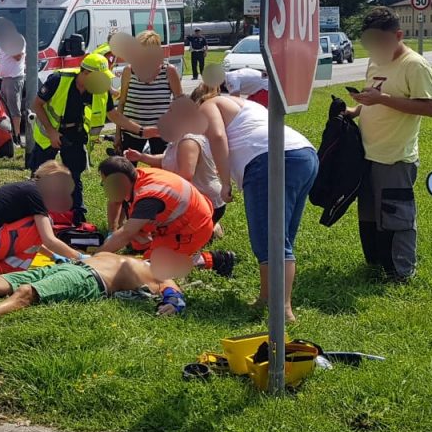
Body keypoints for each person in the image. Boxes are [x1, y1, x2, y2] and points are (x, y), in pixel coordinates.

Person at [193, 82, 317, 322]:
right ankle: (267, 299)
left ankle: (283, 310)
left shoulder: (208, 105)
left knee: (271, 240)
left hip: (267, 159)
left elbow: (218, 137)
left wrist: (225, 181)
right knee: (282, 237)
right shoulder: (244, 104)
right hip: (303, 155)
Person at [346, 7, 432, 282]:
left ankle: (401, 272)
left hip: (396, 157)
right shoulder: (375, 62)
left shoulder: (415, 65)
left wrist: (382, 99)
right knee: (371, 216)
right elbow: (371, 96)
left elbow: (431, 108)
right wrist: (355, 110)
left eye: (379, 40)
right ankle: (376, 263)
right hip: (368, 153)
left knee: (396, 217)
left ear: (398, 35)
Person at [0, 252, 187, 336]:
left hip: (89, 280)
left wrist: (171, 303)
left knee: (26, 292)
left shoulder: (164, 276)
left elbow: (174, 297)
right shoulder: (139, 256)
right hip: (71, 266)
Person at [29, 49, 137, 221]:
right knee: (39, 174)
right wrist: (51, 132)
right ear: (85, 73)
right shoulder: (59, 79)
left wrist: (140, 130)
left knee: (74, 175)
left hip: (75, 133)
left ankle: (77, 215)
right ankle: (32, 212)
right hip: (48, 133)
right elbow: (37, 105)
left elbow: (113, 115)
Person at [95, 157, 214, 283]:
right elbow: (115, 201)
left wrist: (96, 257)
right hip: (182, 219)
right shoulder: (135, 176)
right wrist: (112, 232)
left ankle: (206, 259)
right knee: (136, 243)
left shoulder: (148, 197)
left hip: (193, 230)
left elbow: (126, 233)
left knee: (148, 268)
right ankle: (157, 245)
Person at [125, 95, 227, 236]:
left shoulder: (189, 141)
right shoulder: (178, 138)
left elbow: (185, 176)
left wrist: (160, 191)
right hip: (191, 200)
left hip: (206, 202)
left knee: (162, 242)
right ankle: (209, 228)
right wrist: (141, 157)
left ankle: (208, 227)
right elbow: (167, 160)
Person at [0, 161, 85, 273]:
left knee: (39, 225)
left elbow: (28, 239)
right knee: (45, 223)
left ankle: (0, 268)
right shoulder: (36, 194)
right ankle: (4, 271)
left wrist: (53, 256)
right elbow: (48, 239)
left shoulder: (29, 189)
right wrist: (79, 257)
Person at [115, 30, 182, 156]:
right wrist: (117, 134)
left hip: (160, 132)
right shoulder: (129, 71)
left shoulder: (168, 71)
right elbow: (122, 103)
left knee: (162, 170)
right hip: (131, 130)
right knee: (127, 170)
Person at [0, 17, 27, 145]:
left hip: (14, 78)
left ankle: (17, 137)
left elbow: (18, 57)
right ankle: (8, 135)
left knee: (14, 109)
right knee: (4, 109)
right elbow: (2, 61)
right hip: (5, 79)